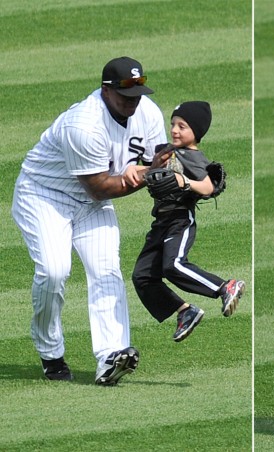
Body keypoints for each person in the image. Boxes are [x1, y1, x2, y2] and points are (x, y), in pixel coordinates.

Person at [11, 56, 168, 385]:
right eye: (125, 96)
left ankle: (111, 357)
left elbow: (161, 165)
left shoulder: (148, 112)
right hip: (45, 195)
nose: (133, 102)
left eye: (137, 94)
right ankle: (50, 350)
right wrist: (148, 175)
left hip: (92, 204)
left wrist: (186, 184)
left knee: (106, 270)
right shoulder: (83, 124)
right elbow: (99, 188)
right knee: (54, 272)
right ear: (105, 91)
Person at [129, 101, 246, 343]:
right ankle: (185, 311)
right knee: (142, 276)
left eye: (182, 126)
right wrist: (135, 170)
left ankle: (225, 287)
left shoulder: (193, 157)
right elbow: (150, 168)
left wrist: (185, 181)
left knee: (173, 265)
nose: (174, 130)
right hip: (160, 223)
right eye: (173, 124)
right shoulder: (166, 150)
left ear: (196, 132)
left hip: (179, 220)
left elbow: (208, 186)